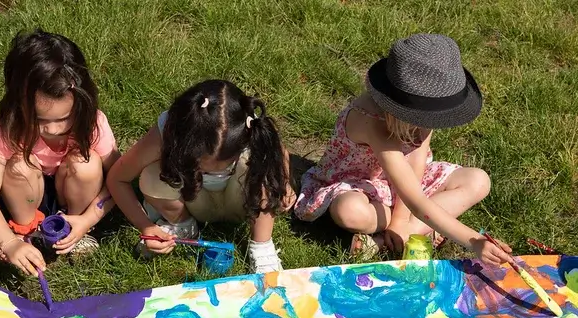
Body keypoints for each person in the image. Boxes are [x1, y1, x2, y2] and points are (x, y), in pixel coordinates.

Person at [294, 33, 513, 266]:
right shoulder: (373, 122)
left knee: (479, 181)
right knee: (350, 211)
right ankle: (425, 229)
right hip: (359, 184)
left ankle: (388, 239)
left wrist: (400, 220)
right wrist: (474, 240)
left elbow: (417, 163)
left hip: (405, 182)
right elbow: (416, 201)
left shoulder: (424, 109)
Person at [106, 79, 295, 273]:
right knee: (150, 175)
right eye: (201, 165)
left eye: (223, 164)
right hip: (192, 202)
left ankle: (261, 246)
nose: (211, 172)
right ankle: (182, 223)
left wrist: (284, 183)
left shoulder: (251, 130)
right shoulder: (170, 129)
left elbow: (280, 155)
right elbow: (118, 178)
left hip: (240, 202)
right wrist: (145, 226)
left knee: (265, 166)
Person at [0, 29, 120, 276]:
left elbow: (118, 179)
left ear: (82, 102)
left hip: (73, 194)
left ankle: (70, 229)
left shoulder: (91, 123)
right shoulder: (10, 127)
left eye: (64, 118)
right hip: (26, 195)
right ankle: (25, 231)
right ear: (19, 104)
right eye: (39, 119)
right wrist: (8, 243)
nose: (53, 129)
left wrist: (86, 221)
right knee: (20, 165)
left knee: (86, 162)